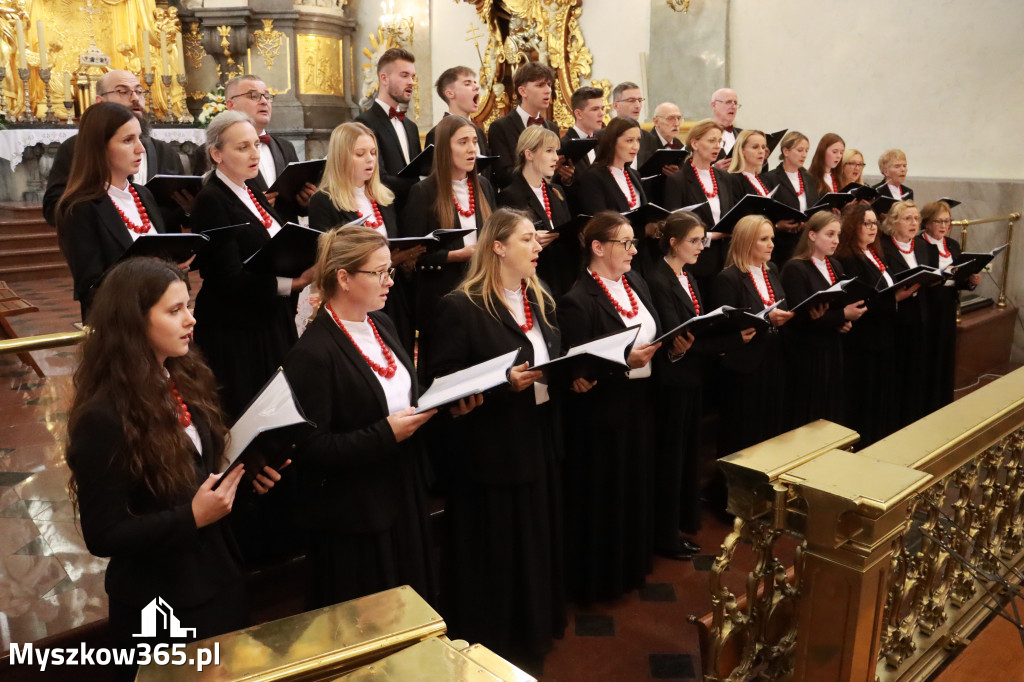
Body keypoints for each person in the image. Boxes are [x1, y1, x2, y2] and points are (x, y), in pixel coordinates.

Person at [65, 258, 285, 680]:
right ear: (132, 321)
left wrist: (247, 478)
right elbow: (103, 533)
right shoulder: (103, 417)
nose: (191, 319)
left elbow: (200, 473)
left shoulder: (182, 377)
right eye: (174, 310)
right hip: (160, 602)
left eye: (189, 306)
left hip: (217, 578)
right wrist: (193, 517)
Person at [424, 208, 565, 667]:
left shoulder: (538, 299)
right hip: (490, 452)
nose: (537, 246)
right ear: (498, 247)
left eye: (537, 239)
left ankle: (532, 630)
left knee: (534, 541)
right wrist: (503, 383)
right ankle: (495, 640)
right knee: (497, 549)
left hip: (537, 437)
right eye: (527, 239)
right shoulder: (460, 307)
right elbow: (441, 383)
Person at [284, 225, 448, 610]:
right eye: (378, 272)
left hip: (402, 494)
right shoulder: (312, 353)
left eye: (389, 270)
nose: (389, 281)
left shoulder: (382, 323)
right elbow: (309, 449)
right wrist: (384, 434)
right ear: (343, 278)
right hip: (356, 519)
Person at [558, 211, 663, 605]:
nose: (634, 251)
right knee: (605, 495)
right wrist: (623, 364)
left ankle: (629, 568)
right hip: (602, 415)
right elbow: (578, 368)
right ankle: (599, 580)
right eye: (626, 243)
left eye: (635, 242)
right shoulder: (577, 299)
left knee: (634, 488)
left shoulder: (634, 281)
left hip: (638, 404)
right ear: (598, 248)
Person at [189, 110, 312, 419]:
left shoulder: (252, 191)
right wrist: (292, 284)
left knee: (282, 408)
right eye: (242, 147)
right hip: (237, 331)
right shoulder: (211, 199)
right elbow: (227, 278)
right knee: (251, 414)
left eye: (255, 144)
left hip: (270, 318)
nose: (254, 153)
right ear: (216, 154)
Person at [306, 122, 420, 350]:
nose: (370, 159)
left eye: (373, 152)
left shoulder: (383, 197)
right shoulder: (324, 201)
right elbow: (328, 260)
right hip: (353, 301)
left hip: (391, 296)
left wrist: (406, 259)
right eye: (360, 154)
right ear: (341, 157)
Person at [54, 102, 169, 321]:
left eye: (139, 138)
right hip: (120, 329)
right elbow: (91, 288)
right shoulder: (79, 207)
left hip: (161, 320)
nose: (141, 149)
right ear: (99, 147)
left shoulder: (143, 194)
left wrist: (171, 267)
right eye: (128, 140)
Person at [400, 114, 495, 363]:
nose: (472, 149)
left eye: (474, 141)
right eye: (463, 142)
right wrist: (454, 256)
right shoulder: (423, 192)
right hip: (442, 297)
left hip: (481, 291)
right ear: (444, 148)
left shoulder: (483, 186)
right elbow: (411, 258)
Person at [44, 69, 188, 229]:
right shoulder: (76, 148)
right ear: (100, 102)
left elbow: (180, 213)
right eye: (122, 91)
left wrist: (189, 209)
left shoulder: (165, 151)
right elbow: (54, 209)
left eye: (139, 92)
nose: (135, 98)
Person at [645, 211, 711, 560]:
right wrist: (718, 341)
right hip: (671, 382)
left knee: (685, 455)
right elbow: (675, 330)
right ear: (673, 243)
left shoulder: (687, 275)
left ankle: (677, 526)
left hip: (690, 376)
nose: (701, 246)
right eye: (694, 240)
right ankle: (665, 534)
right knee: (670, 459)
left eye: (703, 239)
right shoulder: (658, 279)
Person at [710, 215, 794, 457]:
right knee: (743, 435)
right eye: (764, 239)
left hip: (774, 360)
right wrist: (767, 319)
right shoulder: (728, 278)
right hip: (745, 368)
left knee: (771, 432)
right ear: (747, 242)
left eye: (772, 239)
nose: (771, 244)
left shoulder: (772, 270)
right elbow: (724, 328)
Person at [835, 203, 917, 446]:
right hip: (864, 337)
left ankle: (881, 436)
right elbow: (862, 299)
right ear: (853, 226)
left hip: (884, 333)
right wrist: (895, 298)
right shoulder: (848, 259)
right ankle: (865, 440)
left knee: (882, 391)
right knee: (866, 392)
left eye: (874, 223)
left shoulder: (873, 253)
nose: (873, 228)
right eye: (866, 223)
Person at [780, 212, 866, 427]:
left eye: (838, 234)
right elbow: (799, 317)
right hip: (807, 351)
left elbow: (832, 307)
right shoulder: (795, 268)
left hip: (831, 345)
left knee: (831, 406)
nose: (836, 240)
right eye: (830, 234)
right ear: (812, 235)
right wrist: (842, 315)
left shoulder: (834, 265)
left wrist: (842, 322)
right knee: (811, 410)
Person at [223, 74, 316, 224]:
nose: (264, 101)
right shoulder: (219, 151)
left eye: (267, 96)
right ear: (231, 105)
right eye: (254, 96)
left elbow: (295, 205)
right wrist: (251, 206)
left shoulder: (286, 147)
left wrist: (305, 201)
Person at [497, 126, 575, 296]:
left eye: (556, 151)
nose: (556, 157)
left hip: (563, 277)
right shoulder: (510, 196)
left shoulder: (556, 191)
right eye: (549, 151)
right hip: (535, 280)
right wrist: (530, 239)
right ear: (529, 154)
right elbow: (506, 245)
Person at [918, 200, 980, 410]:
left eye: (948, 221)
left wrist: (970, 281)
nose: (944, 226)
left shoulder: (952, 245)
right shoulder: (919, 244)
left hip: (947, 304)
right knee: (928, 353)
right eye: (939, 221)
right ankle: (925, 402)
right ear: (926, 222)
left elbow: (959, 275)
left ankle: (942, 401)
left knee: (945, 353)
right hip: (927, 304)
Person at [664, 119, 739, 288]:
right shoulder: (678, 180)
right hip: (696, 265)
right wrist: (713, 236)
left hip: (726, 261)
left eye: (720, 141)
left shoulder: (725, 178)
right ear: (695, 143)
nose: (717, 146)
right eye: (712, 141)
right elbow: (675, 226)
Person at [879, 200, 931, 428]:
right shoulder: (883, 248)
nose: (914, 223)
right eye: (908, 218)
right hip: (897, 317)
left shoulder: (920, 246)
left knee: (918, 370)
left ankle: (915, 416)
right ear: (893, 222)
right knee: (899, 371)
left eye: (916, 218)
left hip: (921, 316)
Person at [355, 48, 422, 207]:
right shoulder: (364, 123)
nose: (411, 82)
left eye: (413, 77)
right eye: (404, 75)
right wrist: (421, 185)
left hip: (414, 213)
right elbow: (377, 178)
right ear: (384, 78)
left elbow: (417, 169)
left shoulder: (411, 127)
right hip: (386, 213)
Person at [488, 61, 562, 189]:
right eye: (540, 85)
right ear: (522, 91)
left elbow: (554, 180)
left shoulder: (552, 128)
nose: (548, 90)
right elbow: (503, 175)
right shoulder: (501, 127)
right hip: (518, 202)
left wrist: (564, 175)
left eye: (549, 85)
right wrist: (537, 169)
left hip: (547, 199)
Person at [762, 131, 818, 265]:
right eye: (800, 150)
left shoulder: (808, 178)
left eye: (806, 150)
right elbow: (764, 212)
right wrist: (777, 226)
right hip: (782, 244)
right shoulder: (770, 178)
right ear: (786, 151)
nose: (804, 154)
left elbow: (814, 204)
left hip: (806, 241)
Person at [425, 66, 491, 159]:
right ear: (450, 93)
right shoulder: (437, 133)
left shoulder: (479, 132)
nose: (477, 87)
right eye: (467, 84)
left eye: (475, 82)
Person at [727, 129, 774, 197]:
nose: (761, 151)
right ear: (742, 150)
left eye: (763, 147)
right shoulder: (733, 180)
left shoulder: (764, 180)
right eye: (755, 147)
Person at [709, 87, 742, 168]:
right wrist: (713, 169)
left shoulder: (742, 135)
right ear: (714, 105)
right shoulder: (702, 134)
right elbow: (692, 167)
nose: (733, 106)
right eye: (728, 102)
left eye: (735, 103)